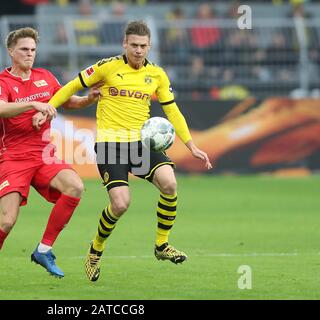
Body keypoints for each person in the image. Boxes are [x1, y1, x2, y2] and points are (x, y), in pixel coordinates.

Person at [36, 20, 212, 282]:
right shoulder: (107, 67)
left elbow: (171, 110)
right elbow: (73, 86)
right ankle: (95, 250)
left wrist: (191, 145)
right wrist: (48, 107)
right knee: (120, 203)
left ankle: (162, 245)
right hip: (110, 144)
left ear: (149, 46)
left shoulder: (158, 75)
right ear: (124, 44)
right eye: (134, 45)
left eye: (143, 46)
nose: (138, 50)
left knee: (170, 184)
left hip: (141, 143)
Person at [0, 27, 102, 288]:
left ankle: (43, 249)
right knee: (7, 220)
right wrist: (33, 104)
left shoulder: (45, 76)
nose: (30, 54)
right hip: (14, 158)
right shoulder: (1, 82)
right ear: (11, 52)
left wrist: (87, 99)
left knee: (75, 186)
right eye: (24, 50)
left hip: (43, 154)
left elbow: (66, 101)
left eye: (33, 50)